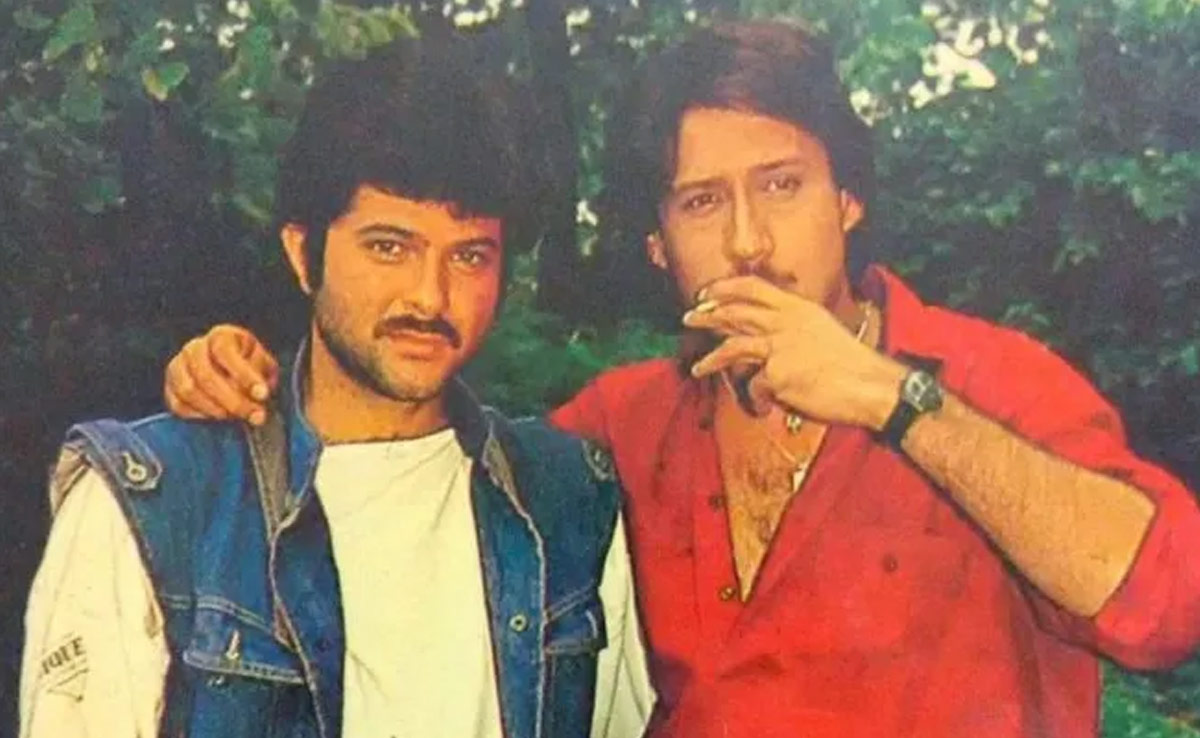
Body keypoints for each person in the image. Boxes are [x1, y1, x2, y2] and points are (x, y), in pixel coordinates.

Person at [159, 21, 1200, 738]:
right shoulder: (619, 427)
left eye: (782, 186)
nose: (747, 242)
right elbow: (410, 475)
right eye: (702, 203)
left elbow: (1166, 609)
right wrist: (240, 383)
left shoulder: (986, 381)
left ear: (848, 199)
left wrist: (893, 400)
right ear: (658, 244)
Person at [19, 37, 653, 738]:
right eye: (389, 246)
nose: (429, 295)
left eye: (469, 255)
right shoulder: (158, 505)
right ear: (303, 254)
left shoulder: (569, 505)